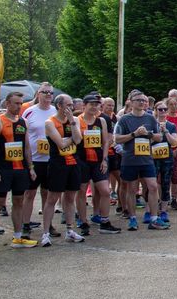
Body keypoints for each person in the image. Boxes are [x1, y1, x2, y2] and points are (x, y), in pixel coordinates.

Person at [0, 91, 40, 248]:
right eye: (16, 103)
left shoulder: (23, 121)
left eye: (20, 103)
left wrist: (30, 167)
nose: (19, 106)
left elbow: (27, 148)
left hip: (20, 169)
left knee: (18, 201)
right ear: (7, 104)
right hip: (4, 168)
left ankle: (18, 237)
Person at [115, 91, 170, 230]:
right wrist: (134, 134)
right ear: (131, 102)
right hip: (130, 159)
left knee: (152, 186)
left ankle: (154, 218)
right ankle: (132, 218)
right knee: (132, 189)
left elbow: (159, 137)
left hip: (147, 158)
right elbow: (117, 139)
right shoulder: (124, 119)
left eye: (143, 100)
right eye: (138, 100)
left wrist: (148, 134)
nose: (141, 102)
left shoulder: (151, 118)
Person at [41, 94, 85, 246]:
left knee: (70, 197)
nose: (72, 107)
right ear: (60, 106)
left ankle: (70, 230)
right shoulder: (49, 122)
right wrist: (68, 140)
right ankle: (46, 232)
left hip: (74, 163)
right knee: (52, 198)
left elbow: (78, 140)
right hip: (58, 163)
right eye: (68, 105)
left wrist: (72, 122)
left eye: (72, 104)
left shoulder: (75, 120)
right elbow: (61, 144)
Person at [78, 93, 120, 235]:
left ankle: (104, 221)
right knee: (82, 192)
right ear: (84, 106)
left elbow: (105, 141)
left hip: (97, 160)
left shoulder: (101, 121)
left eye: (96, 105)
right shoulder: (77, 121)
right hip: (82, 161)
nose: (94, 107)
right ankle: (83, 222)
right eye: (92, 105)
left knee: (105, 191)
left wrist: (104, 159)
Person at [20, 83, 58, 238]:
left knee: (48, 193)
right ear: (38, 94)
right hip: (35, 159)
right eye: (45, 92)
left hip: (52, 158)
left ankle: (48, 225)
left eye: (51, 93)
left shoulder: (56, 111)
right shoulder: (29, 112)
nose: (48, 95)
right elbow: (22, 133)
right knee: (29, 193)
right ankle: (25, 224)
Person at [151, 101, 177, 226]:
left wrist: (166, 131)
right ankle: (150, 210)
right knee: (151, 183)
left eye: (164, 109)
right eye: (159, 109)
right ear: (155, 110)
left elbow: (174, 143)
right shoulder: (150, 123)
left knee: (165, 182)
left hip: (167, 157)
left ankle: (163, 210)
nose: (162, 112)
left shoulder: (171, 125)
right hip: (153, 157)